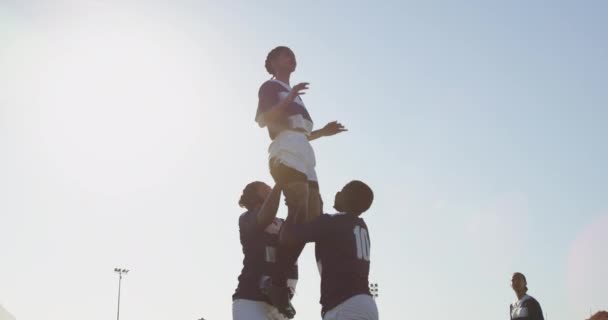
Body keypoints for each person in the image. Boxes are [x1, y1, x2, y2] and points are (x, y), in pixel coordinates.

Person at [255, 45, 346, 317]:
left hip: (304, 152)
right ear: (272, 61)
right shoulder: (270, 88)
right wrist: (289, 96)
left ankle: (280, 280)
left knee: (311, 222)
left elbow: (300, 131)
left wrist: (323, 133)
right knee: (297, 208)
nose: (291, 58)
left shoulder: (296, 97)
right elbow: (264, 121)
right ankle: (279, 284)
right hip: (284, 151)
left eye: (293, 55)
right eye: (285, 54)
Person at [281, 180, 379, 320]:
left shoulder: (333, 222)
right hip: (362, 303)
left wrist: (292, 206)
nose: (337, 193)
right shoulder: (359, 225)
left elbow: (287, 237)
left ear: (348, 198)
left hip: (346, 305)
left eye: (343, 190)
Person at [232, 181, 297, 320]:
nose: (269, 188)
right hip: (251, 299)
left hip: (279, 304)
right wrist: (280, 183)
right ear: (253, 196)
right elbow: (266, 215)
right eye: (263, 187)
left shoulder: (282, 222)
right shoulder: (246, 218)